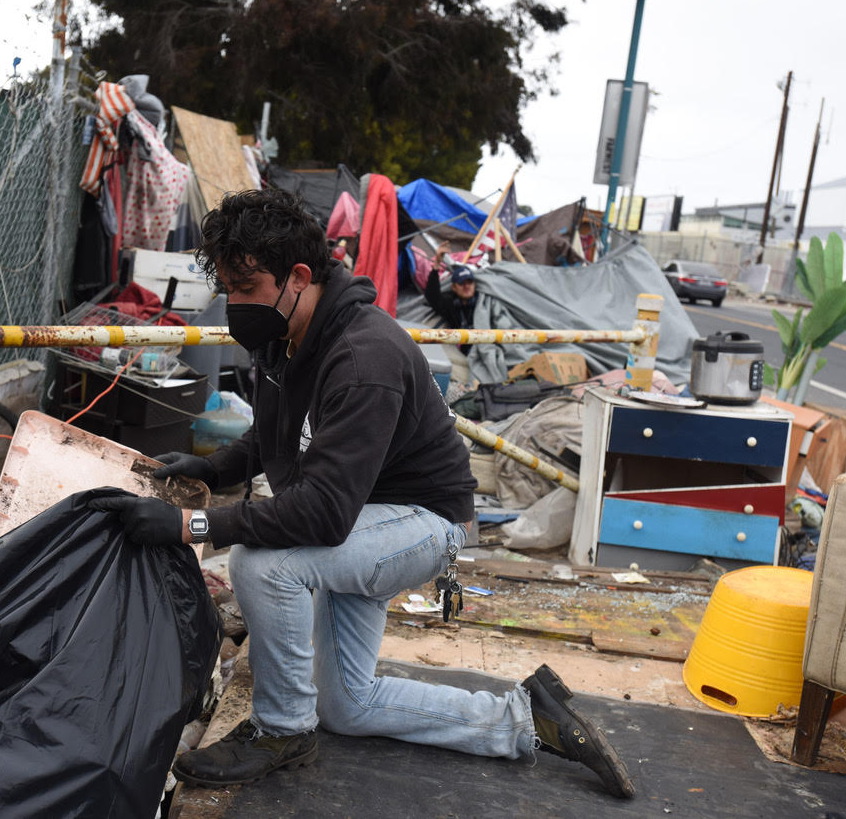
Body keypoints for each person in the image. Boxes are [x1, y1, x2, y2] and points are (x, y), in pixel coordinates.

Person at [88, 188, 634, 800]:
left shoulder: (361, 356)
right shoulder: (284, 337)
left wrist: (191, 523)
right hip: (364, 518)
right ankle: (524, 719)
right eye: (228, 288)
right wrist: (210, 470)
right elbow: (274, 438)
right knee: (347, 705)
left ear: (297, 276)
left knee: (264, 565)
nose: (233, 304)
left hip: (422, 523)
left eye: (246, 288)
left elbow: (320, 513)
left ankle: (281, 730)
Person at [424, 247, 478, 331]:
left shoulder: (483, 301)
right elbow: (432, 295)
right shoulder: (450, 304)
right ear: (454, 287)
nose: (466, 286)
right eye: (461, 283)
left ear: (475, 284)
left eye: (469, 282)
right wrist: (437, 263)